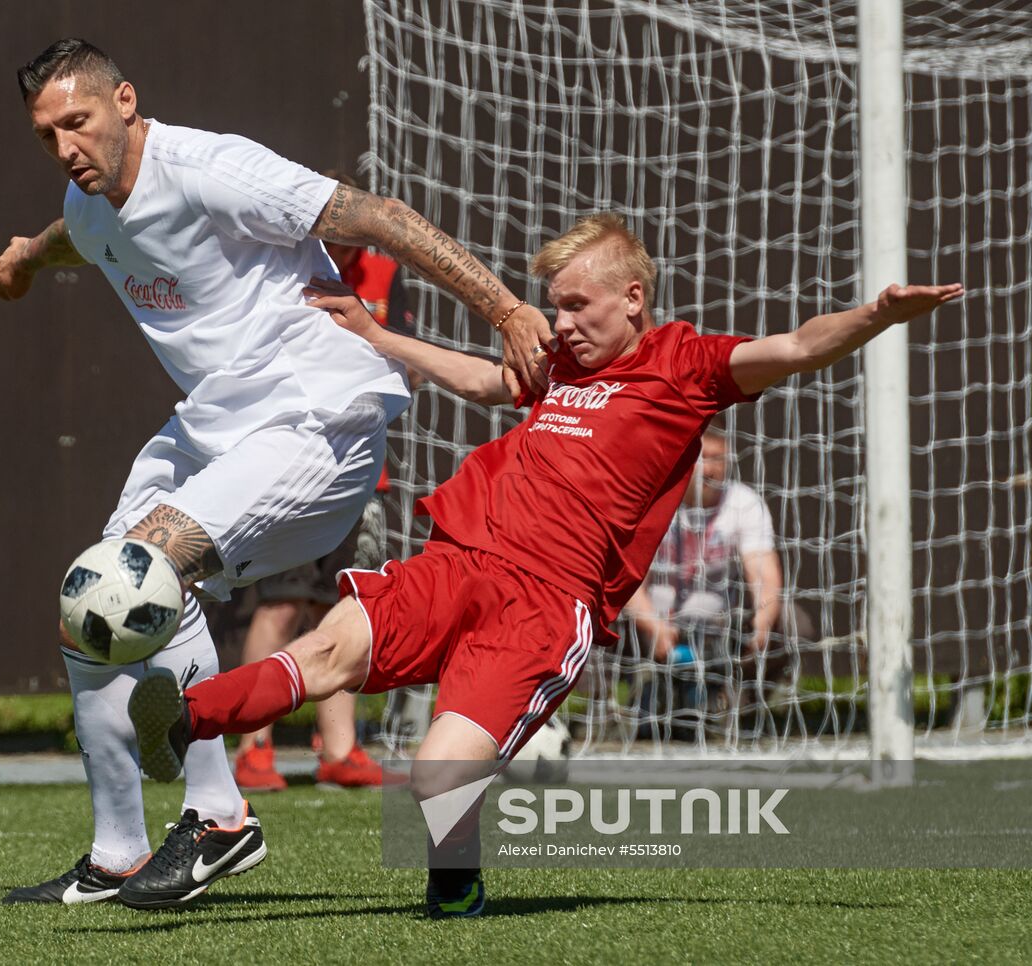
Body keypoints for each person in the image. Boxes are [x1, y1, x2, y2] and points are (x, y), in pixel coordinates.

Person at [125, 212, 963, 918]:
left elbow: (798, 346)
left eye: (575, 305)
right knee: (324, 652)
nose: (558, 324)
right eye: (555, 307)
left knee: (438, 776)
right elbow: (489, 382)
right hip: (459, 558)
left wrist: (875, 315)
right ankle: (181, 721)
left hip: (544, 607)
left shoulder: (685, 366)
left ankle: (455, 880)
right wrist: (380, 338)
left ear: (632, 297)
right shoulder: (561, 364)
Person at [0, 39, 554, 910]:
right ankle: (118, 852)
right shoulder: (88, 200)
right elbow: (81, 238)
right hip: (215, 427)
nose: (66, 146)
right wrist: (27, 255)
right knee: (89, 608)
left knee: (145, 572)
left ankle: (220, 818)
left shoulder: (212, 168)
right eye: (47, 135)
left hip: (314, 417)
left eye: (79, 121)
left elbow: (376, 216)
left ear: (125, 101)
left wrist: (509, 311)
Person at [234, 171, 414, 793]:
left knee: (342, 609)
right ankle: (253, 746)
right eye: (328, 222)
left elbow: (403, 356)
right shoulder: (283, 266)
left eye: (348, 223)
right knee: (281, 604)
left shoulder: (385, 273)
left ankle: (340, 750)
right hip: (291, 464)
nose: (339, 234)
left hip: (361, 469)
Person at [624, 426, 786, 737]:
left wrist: (763, 622)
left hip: (719, 628)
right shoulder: (653, 499)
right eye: (702, 457)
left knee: (790, 622)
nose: (709, 469)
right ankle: (612, 707)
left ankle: (737, 707)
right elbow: (629, 579)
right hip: (649, 623)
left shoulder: (743, 502)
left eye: (717, 458)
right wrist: (654, 627)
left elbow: (764, 574)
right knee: (594, 610)